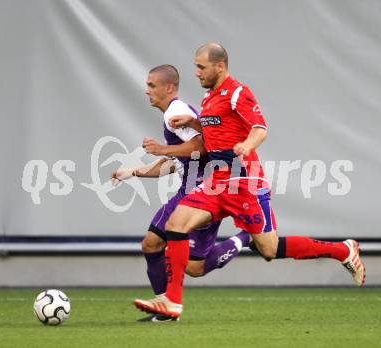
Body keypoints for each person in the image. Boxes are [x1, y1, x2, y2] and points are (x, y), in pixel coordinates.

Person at [133, 43, 366, 319]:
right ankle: (172, 302)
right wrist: (195, 123)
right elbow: (215, 131)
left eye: (201, 67)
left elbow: (260, 128)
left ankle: (343, 250)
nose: (196, 73)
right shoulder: (209, 99)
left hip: (244, 182)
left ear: (219, 66)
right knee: (176, 223)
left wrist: (246, 144)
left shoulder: (238, 93)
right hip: (218, 181)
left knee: (270, 248)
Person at [111, 64, 251, 322]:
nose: (147, 91)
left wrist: (163, 149)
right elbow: (177, 160)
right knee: (153, 245)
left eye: (152, 85)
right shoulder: (173, 115)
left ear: (169, 88)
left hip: (205, 189)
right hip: (190, 187)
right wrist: (133, 172)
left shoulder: (174, 112)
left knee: (194, 266)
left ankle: (245, 237)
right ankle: (165, 308)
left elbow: (202, 145)